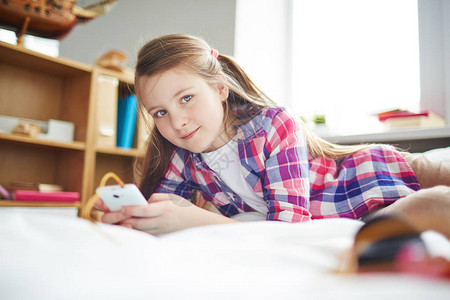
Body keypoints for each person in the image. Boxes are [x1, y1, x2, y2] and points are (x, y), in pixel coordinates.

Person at [94, 33, 450, 237]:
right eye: (161, 113)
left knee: (436, 199)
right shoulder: (180, 156)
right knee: (428, 213)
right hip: (360, 215)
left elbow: (289, 227)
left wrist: (196, 219)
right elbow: (162, 209)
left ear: (220, 88)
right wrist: (128, 215)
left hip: (368, 180)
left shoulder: (275, 124)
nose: (178, 122)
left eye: (186, 98)